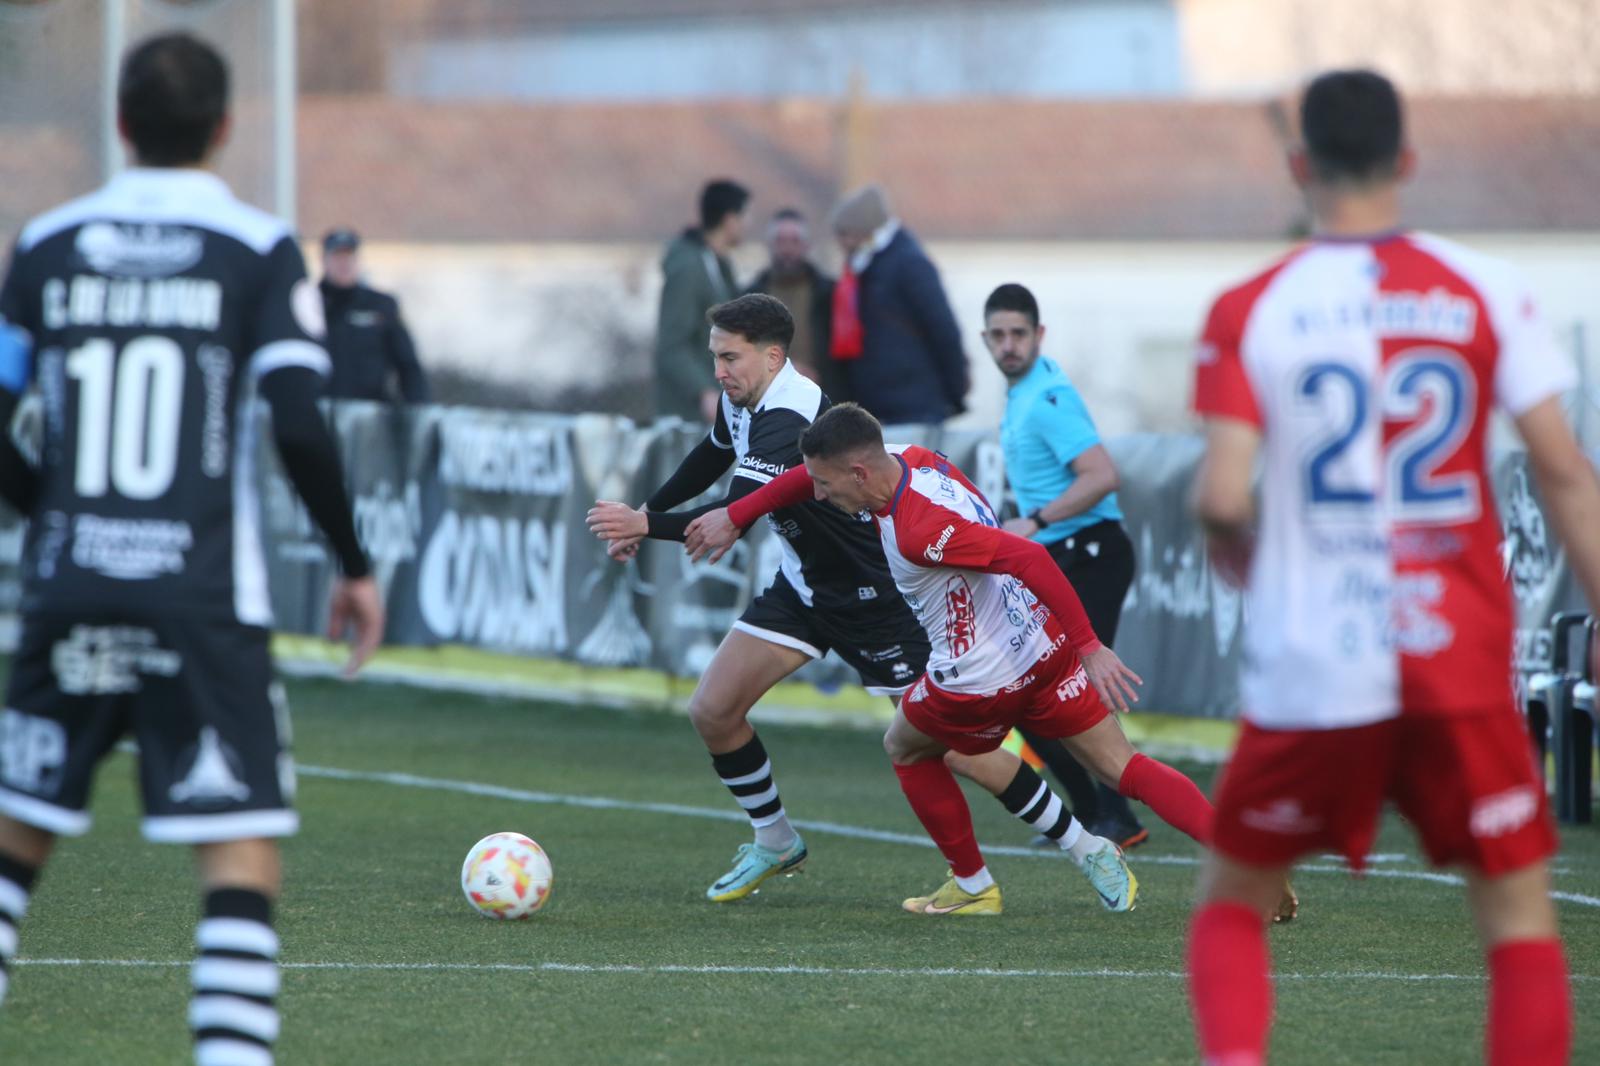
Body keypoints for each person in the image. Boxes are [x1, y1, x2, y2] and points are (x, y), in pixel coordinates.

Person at [1186, 69, 1599, 1066]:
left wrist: (1240, 550)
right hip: (1452, 658)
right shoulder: (1484, 289)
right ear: (1406, 162)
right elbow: (1563, 473)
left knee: (1233, 907)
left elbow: (1219, 496)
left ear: (1299, 166)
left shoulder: (1251, 305)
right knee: (1515, 924)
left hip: (1313, 668)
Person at [0, 33, 385, 1066]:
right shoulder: (259, 249)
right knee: (237, 848)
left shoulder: (45, 244)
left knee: (15, 839)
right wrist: (352, 562)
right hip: (202, 596)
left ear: (121, 124)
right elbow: (300, 423)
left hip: (70, 585)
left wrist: (50, 517)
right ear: (222, 129)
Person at [589, 295, 1132, 913]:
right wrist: (641, 516)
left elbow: (728, 514)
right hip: (805, 587)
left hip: (878, 598)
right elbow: (713, 454)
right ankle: (775, 838)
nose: (718, 370)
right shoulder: (746, 400)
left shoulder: (789, 414)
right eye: (715, 357)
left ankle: (1085, 844)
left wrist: (646, 523)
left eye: (728, 357)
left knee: (960, 752)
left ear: (772, 356)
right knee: (713, 709)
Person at [685, 403, 1227, 915]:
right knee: (1124, 768)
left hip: (979, 680)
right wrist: (738, 513)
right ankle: (1241, 864)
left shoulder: (919, 532)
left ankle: (973, 885)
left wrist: (1093, 645)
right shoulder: (909, 459)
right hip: (1043, 647)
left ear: (857, 474)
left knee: (904, 748)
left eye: (826, 486)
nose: (820, 497)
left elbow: (1029, 556)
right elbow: (808, 476)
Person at [980, 282, 1147, 849]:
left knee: (1077, 687)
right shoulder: (1024, 394)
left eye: (1018, 334)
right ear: (985, 340)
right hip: (1065, 553)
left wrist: (1036, 520)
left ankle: (1116, 814)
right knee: (1024, 689)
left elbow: (1101, 475)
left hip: (1093, 551)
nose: (1009, 345)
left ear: (1039, 336)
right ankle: (1092, 812)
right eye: (998, 335)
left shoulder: (1048, 397)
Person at [829, 184, 968, 425]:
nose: (841, 243)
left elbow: (942, 328)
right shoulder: (864, 266)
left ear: (865, 230)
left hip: (913, 404)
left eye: (845, 234)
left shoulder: (909, 264)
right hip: (881, 403)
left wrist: (955, 392)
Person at [654, 179, 748, 423]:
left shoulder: (718, 266)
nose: (746, 225)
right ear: (729, 220)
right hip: (689, 416)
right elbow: (672, 346)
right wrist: (703, 392)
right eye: (743, 217)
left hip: (719, 407)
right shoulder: (689, 269)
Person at [318, 227, 430, 404]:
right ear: (324, 261)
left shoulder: (380, 305)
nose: (344, 264)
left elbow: (407, 364)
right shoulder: (309, 304)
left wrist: (417, 410)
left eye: (349, 257)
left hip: (371, 413)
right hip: (321, 411)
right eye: (337, 257)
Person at [744, 207, 844, 401]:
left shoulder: (829, 294)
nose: (787, 249)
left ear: (806, 245)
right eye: (781, 241)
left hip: (822, 398)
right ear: (770, 245)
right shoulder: (749, 298)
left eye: (795, 241)